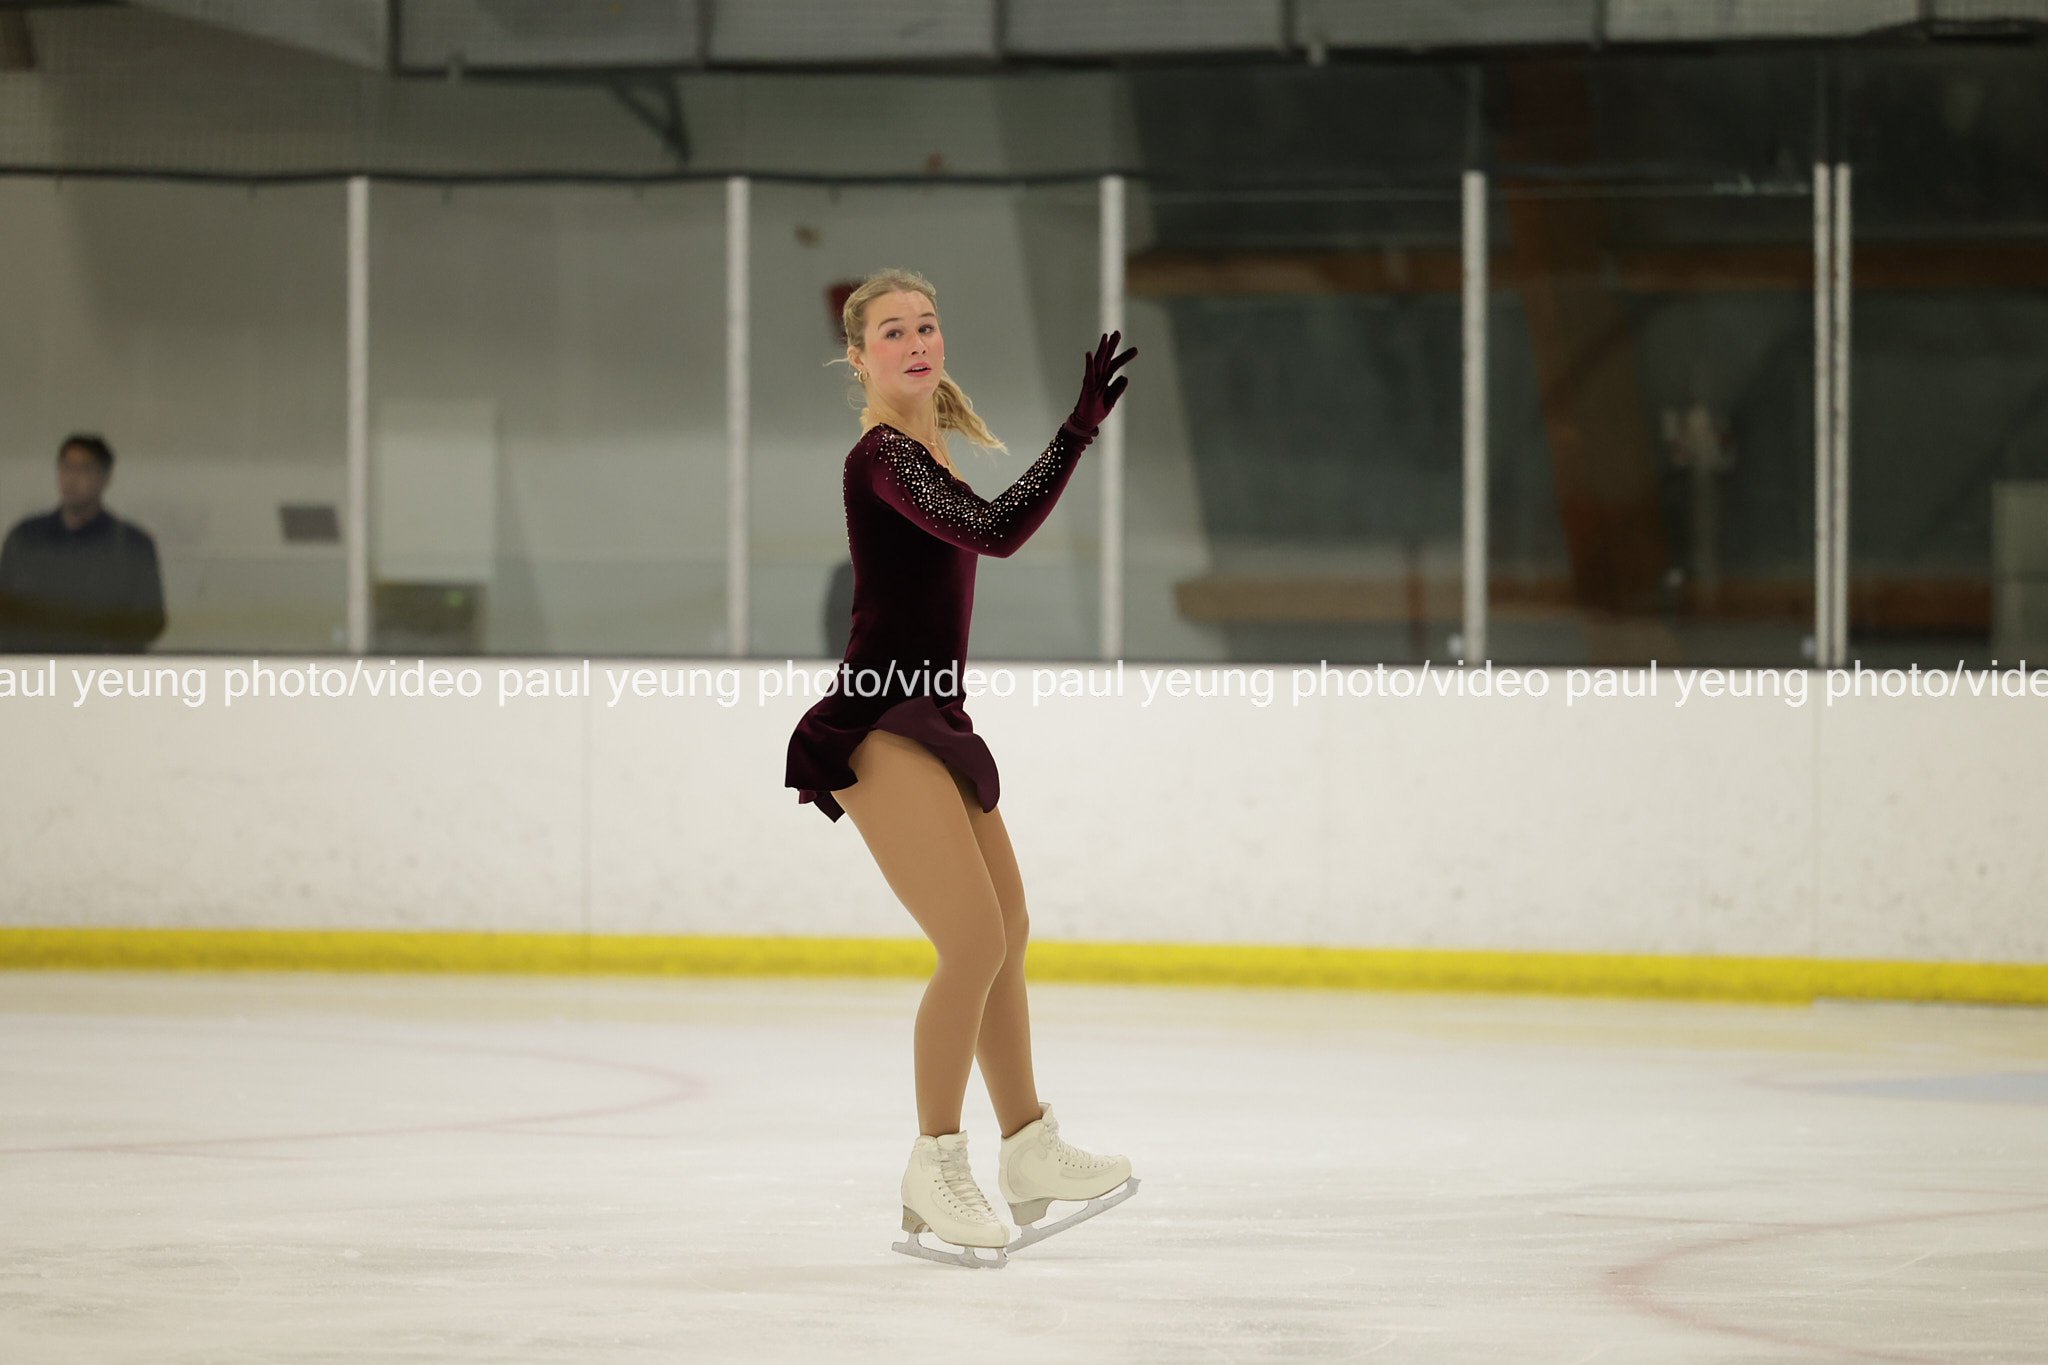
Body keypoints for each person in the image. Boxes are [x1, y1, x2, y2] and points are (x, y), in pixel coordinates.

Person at [785, 269, 1141, 1269]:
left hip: (933, 713)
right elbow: (996, 533)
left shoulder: (927, 448)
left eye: (927, 326)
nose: (915, 342)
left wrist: (1071, 435)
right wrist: (1074, 434)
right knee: (972, 940)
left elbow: (985, 527)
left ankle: (1027, 1146)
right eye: (892, 331)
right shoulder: (881, 457)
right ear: (858, 357)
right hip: (875, 718)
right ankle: (933, 1162)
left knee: (1008, 926)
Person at [0, 434, 166, 654]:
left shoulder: (132, 546)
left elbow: (150, 621)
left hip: (105, 668)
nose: (72, 479)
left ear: (105, 477)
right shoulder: (26, 539)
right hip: (32, 666)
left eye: (84, 469)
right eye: (66, 468)